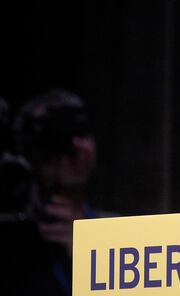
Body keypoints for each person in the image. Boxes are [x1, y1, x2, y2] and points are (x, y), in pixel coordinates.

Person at [2, 89, 111, 296]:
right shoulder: (11, 235)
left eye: (83, 132)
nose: (76, 147)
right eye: (57, 135)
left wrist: (92, 253)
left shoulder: (117, 234)